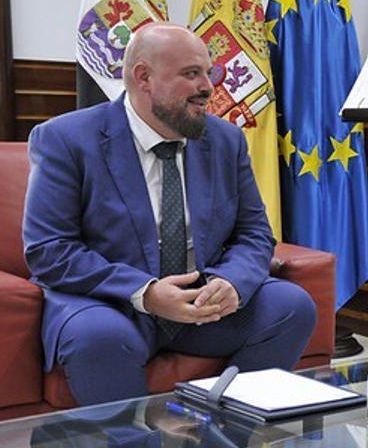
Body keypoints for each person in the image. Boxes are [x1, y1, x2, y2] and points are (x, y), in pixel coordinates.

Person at [23, 22, 316, 406]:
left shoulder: (224, 140)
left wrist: (232, 282)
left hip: (202, 304)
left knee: (292, 307)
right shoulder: (65, 139)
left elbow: (255, 233)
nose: (208, 87)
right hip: (114, 304)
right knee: (99, 337)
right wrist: (145, 293)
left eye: (208, 73)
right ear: (143, 77)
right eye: (191, 74)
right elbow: (49, 250)